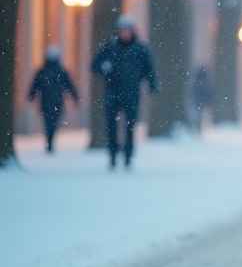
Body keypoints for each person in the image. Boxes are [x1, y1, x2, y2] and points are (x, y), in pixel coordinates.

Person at [92, 15, 157, 169]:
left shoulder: (141, 49)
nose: (125, 34)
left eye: (128, 31)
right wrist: (104, 67)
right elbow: (95, 66)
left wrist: (152, 86)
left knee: (130, 126)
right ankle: (112, 155)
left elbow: (150, 70)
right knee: (111, 127)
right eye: (122, 31)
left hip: (132, 94)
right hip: (112, 92)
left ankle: (128, 155)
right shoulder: (108, 47)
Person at [28, 45, 80, 152]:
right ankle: (50, 141)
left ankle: (50, 141)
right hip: (53, 101)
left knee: (50, 123)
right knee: (51, 123)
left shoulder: (47, 71)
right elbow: (70, 85)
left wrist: (31, 96)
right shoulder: (58, 71)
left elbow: (69, 85)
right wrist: (75, 96)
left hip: (50, 101)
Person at [190, 66, 214, 132]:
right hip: (202, 100)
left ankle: (197, 126)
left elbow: (193, 89)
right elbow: (209, 91)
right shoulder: (206, 79)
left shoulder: (197, 78)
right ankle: (198, 126)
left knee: (197, 114)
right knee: (200, 114)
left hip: (197, 100)